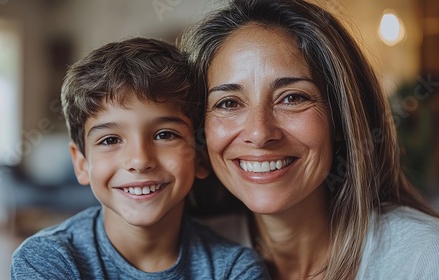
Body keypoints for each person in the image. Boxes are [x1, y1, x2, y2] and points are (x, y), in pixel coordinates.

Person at [180, 0, 439, 279]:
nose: (259, 133)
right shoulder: (186, 250)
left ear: (339, 117)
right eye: (228, 103)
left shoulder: (424, 258)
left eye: (292, 98)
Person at [10, 37, 270, 279]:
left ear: (201, 157)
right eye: (110, 140)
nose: (139, 160)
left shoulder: (235, 269)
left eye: (165, 135)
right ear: (81, 164)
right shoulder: (47, 260)